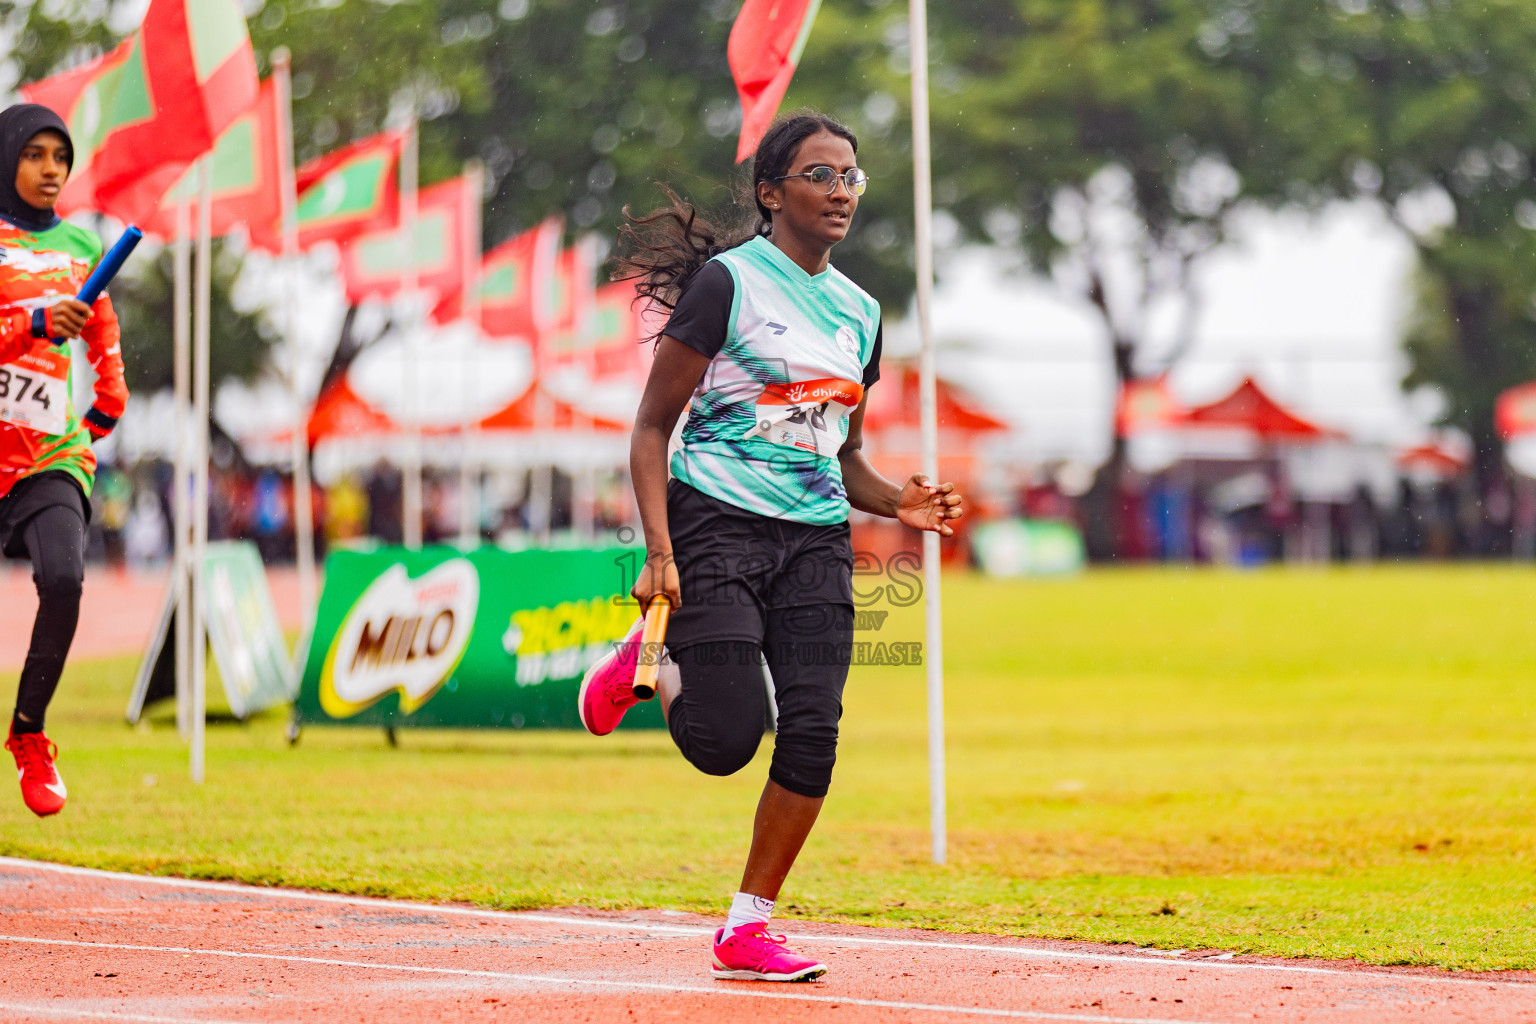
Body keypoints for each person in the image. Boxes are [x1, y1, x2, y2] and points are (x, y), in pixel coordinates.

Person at [578, 111, 963, 982]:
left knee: (817, 728)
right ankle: (652, 661)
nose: (841, 192)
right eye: (821, 175)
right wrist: (661, 551)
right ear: (771, 192)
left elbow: (846, 452)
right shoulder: (729, 285)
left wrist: (903, 503)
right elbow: (649, 430)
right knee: (724, 742)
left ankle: (746, 928)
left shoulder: (862, 313)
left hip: (818, 538)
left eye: (851, 177)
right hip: (714, 521)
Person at [0, 104, 128, 817]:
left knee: (65, 578)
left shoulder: (84, 246)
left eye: (60, 157)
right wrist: (38, 323)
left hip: (49, 453)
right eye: (34, 155)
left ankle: (28, 734)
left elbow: (102, 337)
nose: (51, 170)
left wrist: (108, 403)